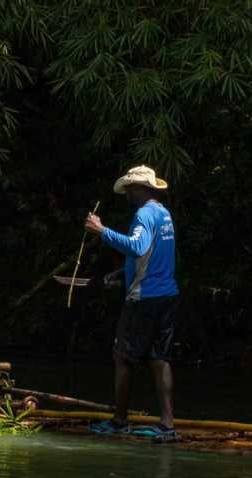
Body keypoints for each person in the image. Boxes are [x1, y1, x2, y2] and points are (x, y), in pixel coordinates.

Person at [83, 165, 178, 441]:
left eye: (129, 190)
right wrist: (121, 273)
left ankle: (119, 421)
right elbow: (153, 255)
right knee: (161, 358)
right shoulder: (163, 214)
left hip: (144, 297)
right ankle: (167, 424)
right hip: (167, 295)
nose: (127, 195)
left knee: (122, 357)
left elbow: (137, 247)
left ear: (139, 189)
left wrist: (101, 230)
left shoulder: (143, 214)